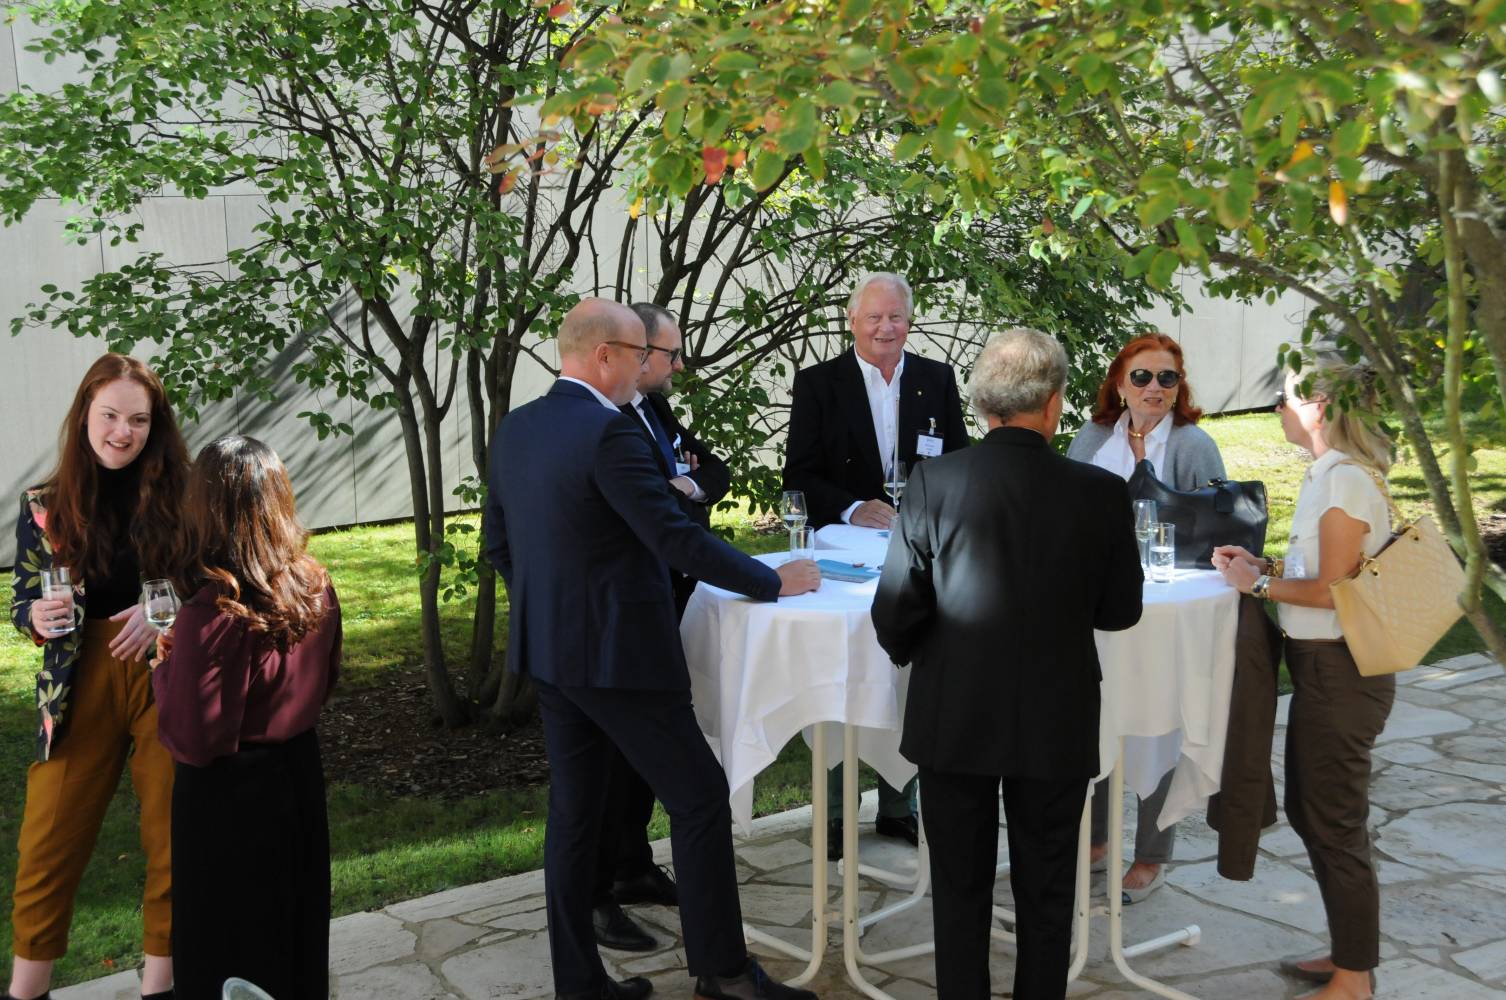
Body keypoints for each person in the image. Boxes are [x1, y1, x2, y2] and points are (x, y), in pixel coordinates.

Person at [483, 297, 822, 1000]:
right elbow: (675, 537)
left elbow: (501, 548)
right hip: (621, 657)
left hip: (551, 653)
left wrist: (553, 610)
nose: (647, 368)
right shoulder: (610, 436)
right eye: (641, 354)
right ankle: (723, 974)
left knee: (574, 817)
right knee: (698, 799)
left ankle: (580, 983)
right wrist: (771, 578)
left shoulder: (517, 428)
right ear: (604, 354)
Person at [873, 327, 1143, 1000]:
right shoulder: (1101, 492)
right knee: (1048, 890)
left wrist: (926, 656)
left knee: (958, 889)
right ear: (1053, 407)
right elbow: (1119, 612)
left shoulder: (934, 482)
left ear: (984, 406)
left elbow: (895, 612)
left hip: (955, 713)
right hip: (1057, 714)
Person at [5, 354, 189, 1000]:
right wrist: (36, 611)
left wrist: (159, 604)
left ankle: (159, 987)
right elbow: (21, 596)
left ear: (153, 426)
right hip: (77, 679)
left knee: (172, 834)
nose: (122, 432)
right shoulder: (44, 505)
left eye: (137, 420)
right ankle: (27, 992)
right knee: (47, 842)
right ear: (85, 412)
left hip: (163, 672)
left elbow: (213, 576)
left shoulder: (180, 495)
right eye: (110, 415)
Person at [1214, 361, 1395, 1000]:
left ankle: (1353, 980)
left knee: (1332, 817)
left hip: (1340, 673)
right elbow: (1321, 570)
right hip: (1323, 667)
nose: (1276, 410)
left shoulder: (1343, 482)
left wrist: (1257, 584)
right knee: (1313, 811)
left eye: (1285, 398)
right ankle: (1351, 953)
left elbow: (1335, 592)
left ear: (1320, 405)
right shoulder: (1332, 477)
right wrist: (1263, 564)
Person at [783, 272, 969, 857]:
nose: (886, 328)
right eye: (873, 318)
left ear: (909, 321)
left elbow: (959, 460)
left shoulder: (936, 379)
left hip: (917, 549)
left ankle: (898, 805)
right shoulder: (818, 384)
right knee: (844, 672)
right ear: (851, 320)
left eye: (896, 317)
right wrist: (851, 504)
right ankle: (837, 813)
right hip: (844, 550)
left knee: (906, 668)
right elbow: (799, 474)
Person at [151, 436, 342, 1000]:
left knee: (227, 949)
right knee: (294, 932)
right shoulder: (313, 583)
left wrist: (163, 667)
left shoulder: (215, 610)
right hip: (297, 777)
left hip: (228, 798)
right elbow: (324, 678)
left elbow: (194, 735)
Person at [1065, 332, 1226, 902]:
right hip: (1097, 602)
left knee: (1158, 722)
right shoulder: (1091, 436)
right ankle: (1097, 841)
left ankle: (1152, 854)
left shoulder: (1192, 443)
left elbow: (1218, 528)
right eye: (1142, 377)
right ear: (1118, 382)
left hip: (1164, 606)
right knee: (1099, 713)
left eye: (1167, 378)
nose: (1154, 389)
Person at [589, 302, 730, 952]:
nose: (677, 364)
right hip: (625, 612)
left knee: (641, 760)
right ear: (638, 354)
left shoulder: (659, 410)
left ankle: (633, 864)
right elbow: (648, 508)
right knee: (610, 760)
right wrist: (677, 488)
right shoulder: (606, 421)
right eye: (669, 354)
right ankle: (598, 891)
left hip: (671, 595)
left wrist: (687, 486)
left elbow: (716, 472)